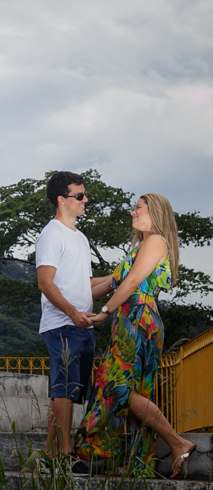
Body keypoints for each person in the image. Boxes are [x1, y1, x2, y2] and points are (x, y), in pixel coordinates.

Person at [75, 194, 197, 478]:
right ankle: (136, 461)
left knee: (115, 385)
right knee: (132, 391)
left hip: (139, 318)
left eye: (137, 207)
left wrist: (104, 312)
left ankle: (178, 443)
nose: (132, 212)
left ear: (153, 211)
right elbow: (107, 283)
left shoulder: (156, 241)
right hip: (128, 318)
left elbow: (131, 283)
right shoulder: (140, 247)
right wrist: (57, 282)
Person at [34, 171, 96, 459]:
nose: (85, 200)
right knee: (65, 390)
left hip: (83, 325)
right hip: (62, 324)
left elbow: (87, 286)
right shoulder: (51, 234)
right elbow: (45, 282)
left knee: (65, 392)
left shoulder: (80, 238)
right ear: (62, 199)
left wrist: (123, 277)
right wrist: (72, 313)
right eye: (79, 196)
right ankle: (65, 454)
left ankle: (50, 452)